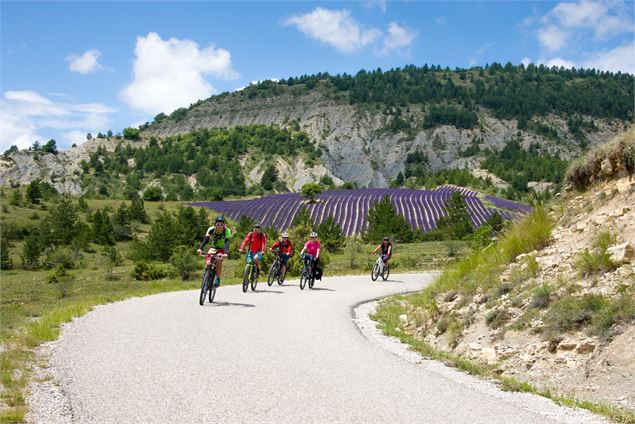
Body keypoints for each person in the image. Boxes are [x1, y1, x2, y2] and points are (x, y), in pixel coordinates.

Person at [196, 216, 231, 287]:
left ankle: (217, 278)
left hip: (222, 249)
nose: (220, 226)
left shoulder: (227, 231)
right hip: (213, 247)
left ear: (224, 225)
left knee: (219, 260)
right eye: (218, 224)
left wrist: (226, 253)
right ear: (215, 225)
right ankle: (206, 276)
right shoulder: (211, 229)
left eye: (221, 224)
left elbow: (227, 242)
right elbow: (206, 239)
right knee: (208, 262)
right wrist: (200, 248)